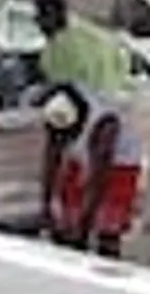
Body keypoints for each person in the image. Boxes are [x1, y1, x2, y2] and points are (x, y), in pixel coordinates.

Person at [42, 84, 142, 257]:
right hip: (85, 153)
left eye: (65, 137)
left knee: (107, 225)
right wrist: (46, 207)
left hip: (120, 165)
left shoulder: (105, 126)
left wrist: (83, 228)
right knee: (66, 218)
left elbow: (98, 181)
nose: (61, 142)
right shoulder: (60, 108)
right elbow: (52, 157)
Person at [34, 0, 131, 94]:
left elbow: (59, 81)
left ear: (51, 16)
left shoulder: (64, 45)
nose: (38, 24)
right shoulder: (91, 32)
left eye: (38, 18)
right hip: (108, 97)